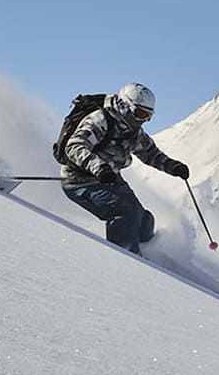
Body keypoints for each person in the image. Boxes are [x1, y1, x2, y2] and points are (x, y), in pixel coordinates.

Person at [58, 83, 190, 254]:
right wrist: (99, 168)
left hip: (110, 179)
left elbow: (150, 153)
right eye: (140, 113)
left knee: (144, 222)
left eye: (148, 116)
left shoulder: (133, 131)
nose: (143, 120)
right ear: (124, 105)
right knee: (126, 212)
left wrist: (173, 166)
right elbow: (75, 146)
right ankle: (126, 259)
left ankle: (150, 254)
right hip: (81, 181)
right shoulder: (100, 121)